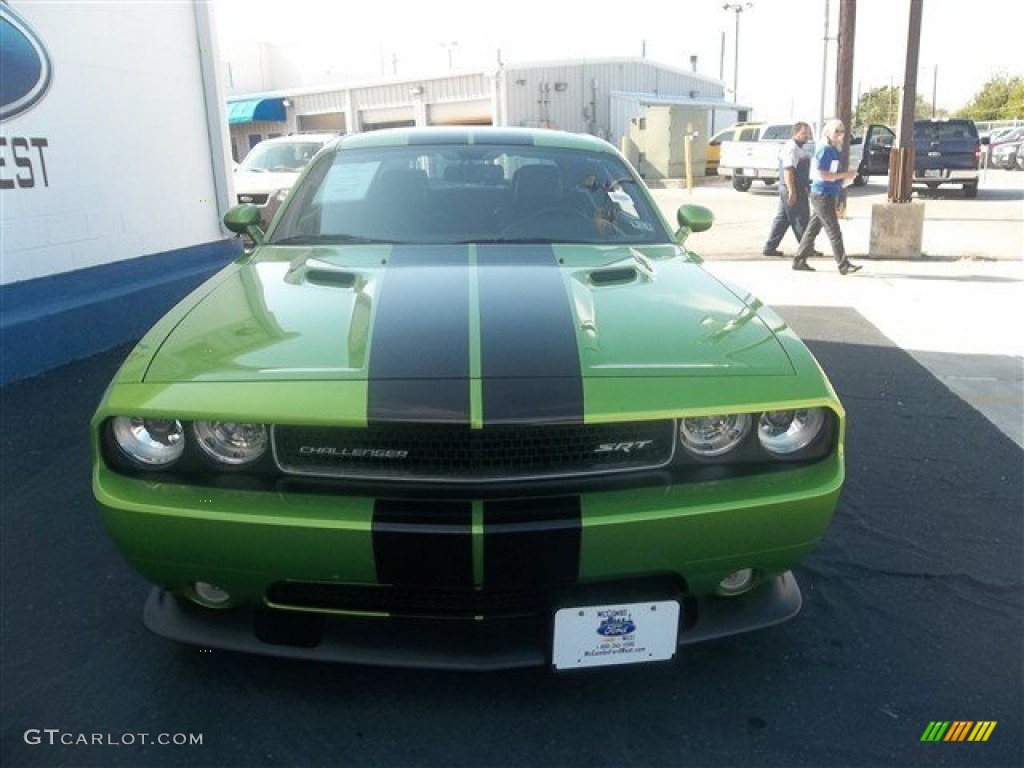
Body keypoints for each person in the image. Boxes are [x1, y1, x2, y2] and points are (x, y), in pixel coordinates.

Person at [792, 119, 862, 274]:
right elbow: (824, 175)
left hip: (827, 193)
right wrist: (845, 175)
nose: (840, 134)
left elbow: (832, 175)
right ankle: (843, 264)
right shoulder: (825, 150)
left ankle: (799, 259)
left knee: (812, 229)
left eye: (842, 131)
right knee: (833, 230)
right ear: (828, 133)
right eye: (837, 131)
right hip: (822, 194)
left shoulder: (833, 149)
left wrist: (845, 179)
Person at [762, 122, 817, 257]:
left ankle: (770, 247)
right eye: (804, 133)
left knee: (783, 219)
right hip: (791, 188)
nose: (807, 136)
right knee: (801, 218)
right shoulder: (791, 148)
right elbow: (788, 170)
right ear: (795, 133)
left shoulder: (799, 148)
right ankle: (806, 248)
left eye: (808, 133)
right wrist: (792, 191)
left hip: (794, 187)